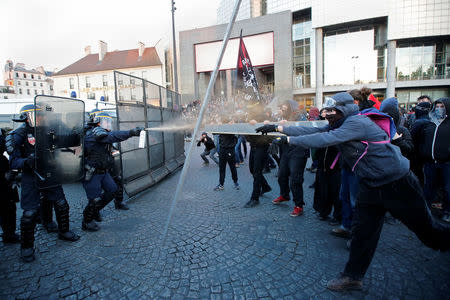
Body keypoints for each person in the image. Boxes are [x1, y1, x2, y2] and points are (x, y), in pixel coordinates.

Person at [256, 92, 450, 291]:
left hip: (397, 183)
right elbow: (312, 128)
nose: (328, 115)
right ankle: (353, 277)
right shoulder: (339, 123)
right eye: (327, 111)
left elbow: (325, 138)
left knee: (427, 231)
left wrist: (288, 141)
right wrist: (278, 128)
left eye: (332, 111)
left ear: (344, 110)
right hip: (370, 184)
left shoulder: (356, 123)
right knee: (362, 234)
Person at [6, 104, 80, 262]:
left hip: (50, 173)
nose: (42, 118)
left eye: (42, 115)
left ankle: (64, 231)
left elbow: (64, 143)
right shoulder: (18, 135)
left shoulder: (48, 130)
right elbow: (13, 162)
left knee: (61, 204)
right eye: (38, 115)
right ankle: (26, 247)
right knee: (29, 213)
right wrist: (27, 161)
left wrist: (71, 132)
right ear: (27, 118)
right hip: (30, 176)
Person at [82, 111, 143, 231]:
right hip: (92, 172)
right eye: (106, 121)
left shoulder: (103, 133)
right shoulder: (93, 134)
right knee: (95, 199)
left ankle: (95, 211)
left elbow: (112, 138)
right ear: (97, 122)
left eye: (110, 121)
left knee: (112, 190)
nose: (109, 123)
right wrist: (131, 132)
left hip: (103, 171)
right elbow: (112, 136)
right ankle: (86, 221)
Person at [412, 98, 450, 222]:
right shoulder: (429, 123)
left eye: (442, 107)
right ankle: (426, 211)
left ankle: (447, 212)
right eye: (437, 106)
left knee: (447, 188)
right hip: (429, 163)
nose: (439, 109)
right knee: (428, 188)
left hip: (446, 163)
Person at [272, 100, 309, 217]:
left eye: (284, 108)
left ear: (290, 108)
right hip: (286, 151)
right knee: (281, 175)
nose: (282, 111)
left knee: (295, 179)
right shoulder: (282, 118)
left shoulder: (301, 117)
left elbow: (303, 130)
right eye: (281, 109)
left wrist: (288, 124)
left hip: (299, 151)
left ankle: (299, 205)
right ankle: (285, 195)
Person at [312, 109, 342, 223]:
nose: (325, 115)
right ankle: (323, 211)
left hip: (336, 166)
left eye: (328, 113)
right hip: (323, 164)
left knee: (336, 192)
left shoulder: (342, 128)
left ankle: (337, 216)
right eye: (324, 112)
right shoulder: (324, 126)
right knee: (323, 190)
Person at [244, 102, 272, 208]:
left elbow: (270, 137)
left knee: (256, 172)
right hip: (253, 146)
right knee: (252, 170)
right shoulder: (249, 118)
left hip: (262, 147)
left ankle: (254, 198)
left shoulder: (265, 117)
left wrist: (262, 125)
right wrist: (249, 129)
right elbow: (247, 136)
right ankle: (265, 187)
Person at [0, 128, 20, 244]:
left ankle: (9, 234)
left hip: (5, 188)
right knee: (7, 210)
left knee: (8, 211)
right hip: (4, 190)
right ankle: (9, 235)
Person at [409, 101, 432, 184]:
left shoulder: (419, 122)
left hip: (417, 153)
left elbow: (411, 137)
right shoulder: (432, 121)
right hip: (427, 154)